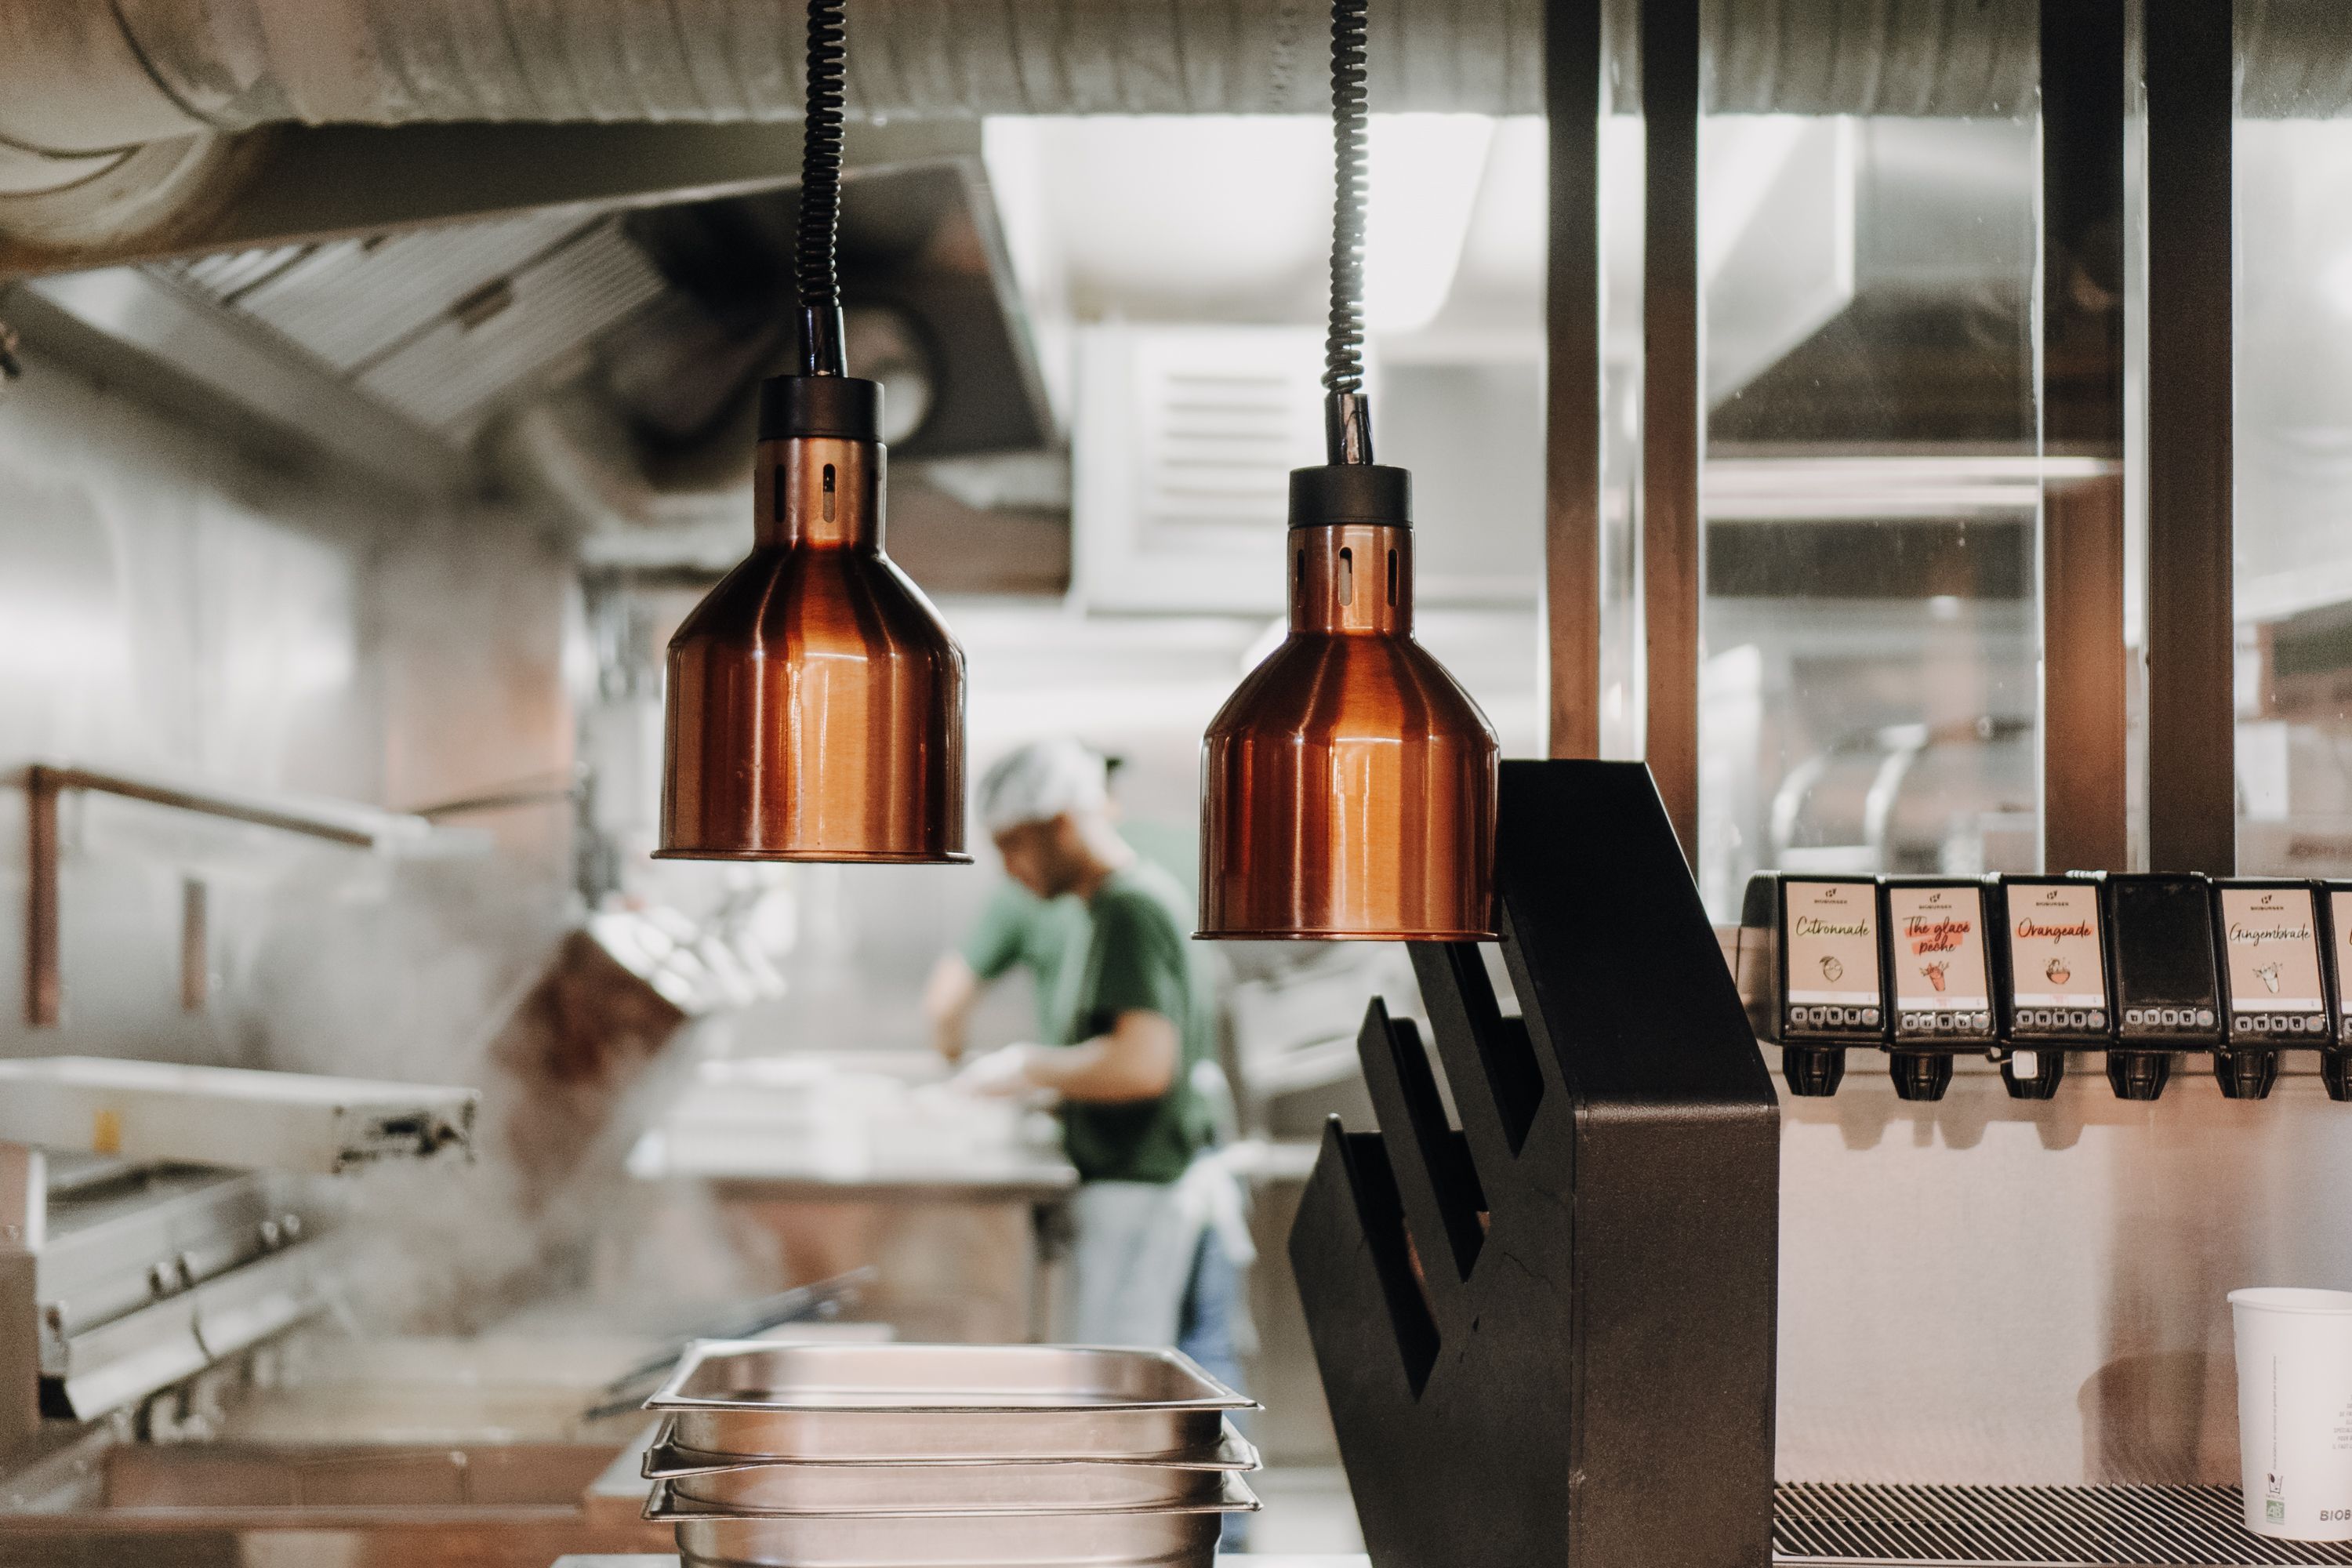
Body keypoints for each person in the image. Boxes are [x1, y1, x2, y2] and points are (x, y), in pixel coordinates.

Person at [930, 741, 1249, 1365]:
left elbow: (1141, 1065)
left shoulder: (1131, 906)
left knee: (1124, 1396)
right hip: (1136, 1192)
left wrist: (1025, 1069)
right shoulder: (1106, 908)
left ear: (1064, 826)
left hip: (1142, 1193)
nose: (1008, 869)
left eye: (1013, 845)